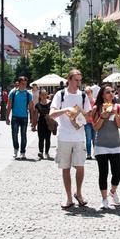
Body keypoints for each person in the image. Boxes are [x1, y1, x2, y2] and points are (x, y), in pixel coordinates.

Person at [50, 68, 92, 208]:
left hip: (79, 136)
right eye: (76, 80)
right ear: (69, 80)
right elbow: (52, 114)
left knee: (80, 166)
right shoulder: (60, 94)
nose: (78, 83)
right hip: (64, 136)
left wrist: (82, 116)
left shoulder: (83, 96)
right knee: (65, 167)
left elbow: (88, 115)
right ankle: (68, 198)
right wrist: (66, 110)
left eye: (80, 80)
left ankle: (78, 193)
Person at [89, 85, 120, 210]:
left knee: (117, 173)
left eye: (112, 92)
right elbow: (95, 127)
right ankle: (104, 199)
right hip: (101, 145)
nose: (111, 94)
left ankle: (113, 191)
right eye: (108, 92)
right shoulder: (96, 108)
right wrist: (102, 117)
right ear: (102, 95)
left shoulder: (119, 107)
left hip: (116, 145)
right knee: (103, 173)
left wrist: (115, 115)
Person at [9, 76, 33, 159]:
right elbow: (9, 105)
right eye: (22, 84)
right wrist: (7, 117)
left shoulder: (28, 94)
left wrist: (33, 119)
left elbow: (31, 107)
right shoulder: (13, 93)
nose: (24, 85)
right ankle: (16, 149)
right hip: (15, 117)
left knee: (23, 135)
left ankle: (23, 152)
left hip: (24, 117)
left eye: (25, 84)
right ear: (19, 83)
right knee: (14, 134)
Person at [30, 88, 55, 159]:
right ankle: (41, 152)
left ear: (47, 95)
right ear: (40, 95)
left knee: (48, 138)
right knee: (40, 138)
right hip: (41, 122)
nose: (44, 96)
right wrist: (34, 125)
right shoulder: (37, 105)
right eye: (42, 94)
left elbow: (54, 113)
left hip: (49, 123)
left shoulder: (51, 103)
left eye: (45, 94)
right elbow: (35, 116)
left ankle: (47, 152)